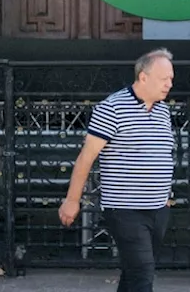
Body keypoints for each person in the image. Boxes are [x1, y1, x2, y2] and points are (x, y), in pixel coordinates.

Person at [58, 48, 176, 292]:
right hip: (125, 209)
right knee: (143, 273)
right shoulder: (111, 108)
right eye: (164, 79)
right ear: (143, 77)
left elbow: (162, 155)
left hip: (157, 208)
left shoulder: (163, 110)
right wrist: (72, 200)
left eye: (171, 79)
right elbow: (86, 158)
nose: (169, 84)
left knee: (134, 273)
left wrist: (165, 196)